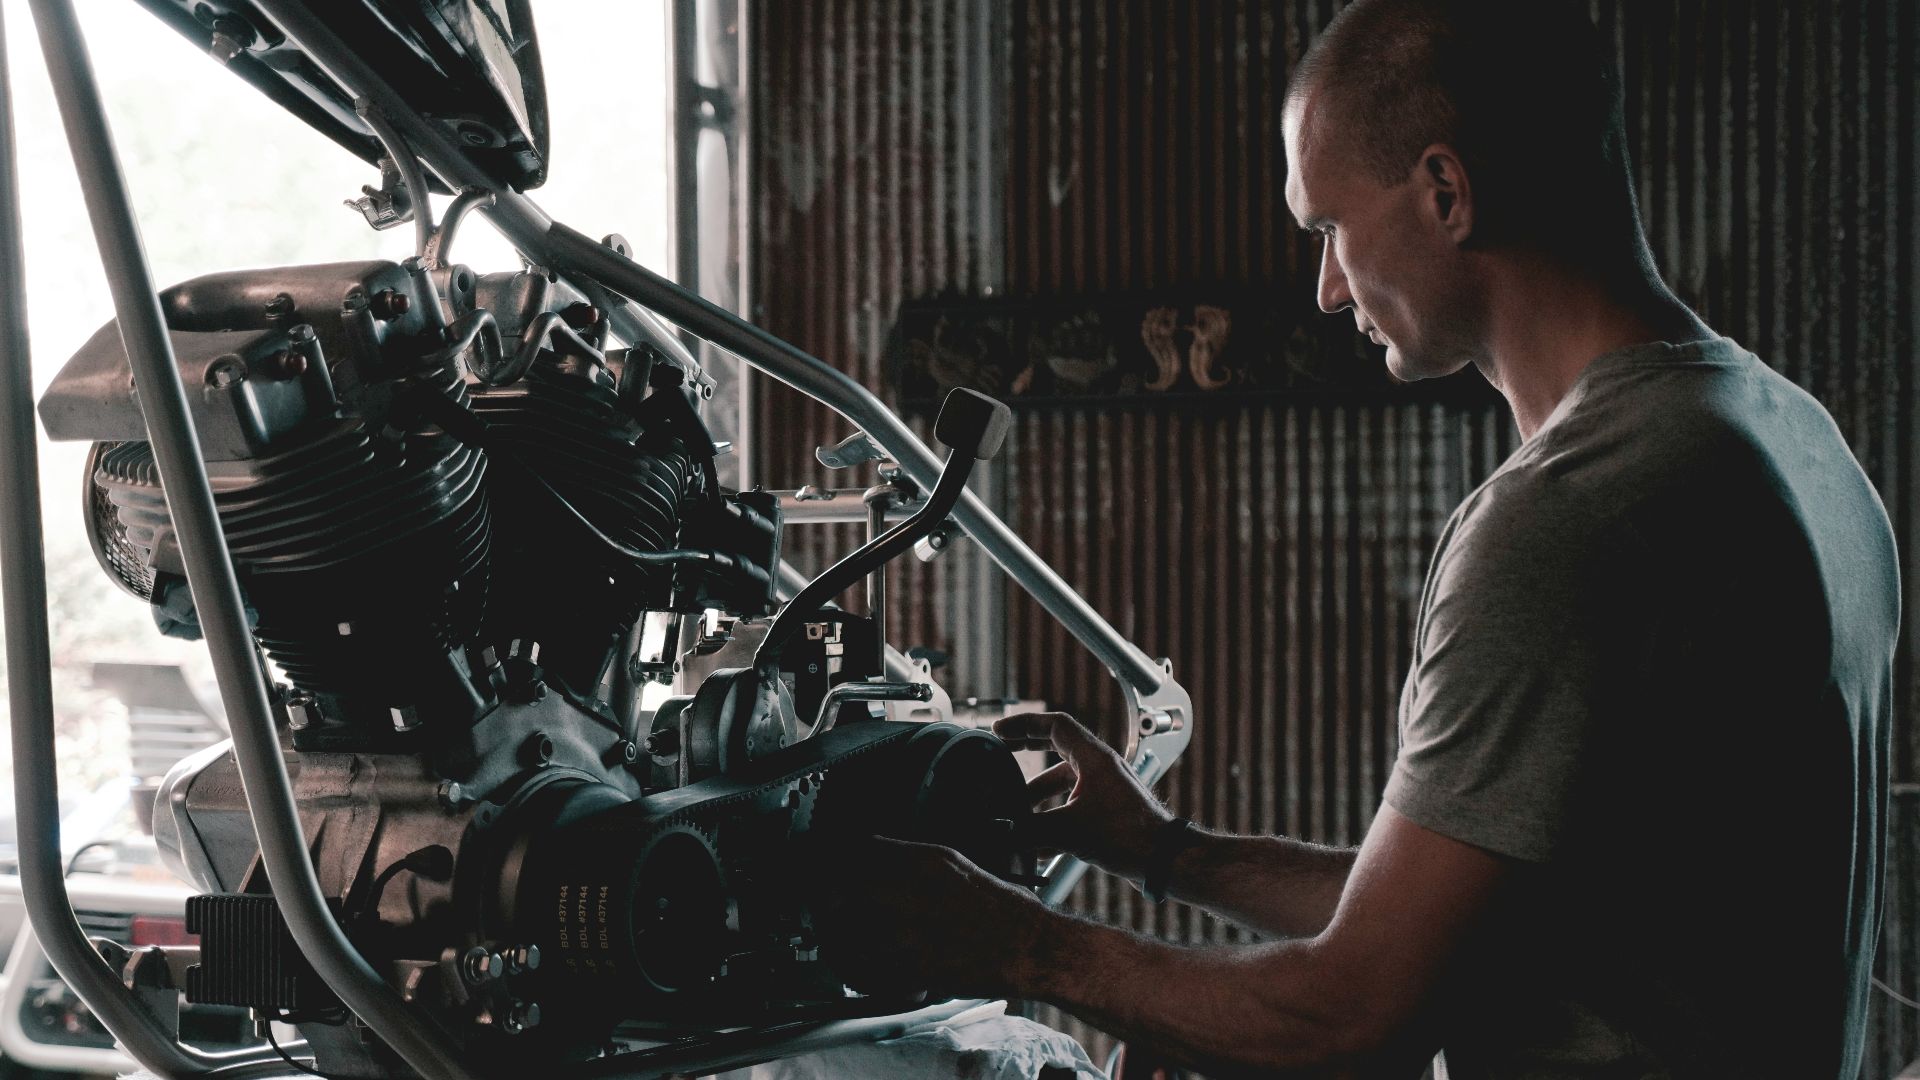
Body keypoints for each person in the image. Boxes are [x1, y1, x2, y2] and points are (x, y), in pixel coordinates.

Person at [821, 0, 1898, 1076]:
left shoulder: (1570, 516)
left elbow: (1349, 1013)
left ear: (1445, 192)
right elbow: (1466, 911)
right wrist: (1159, 850)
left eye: (1330, 230)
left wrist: (1013, 941)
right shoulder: (1794, 443)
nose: (1328, 287)